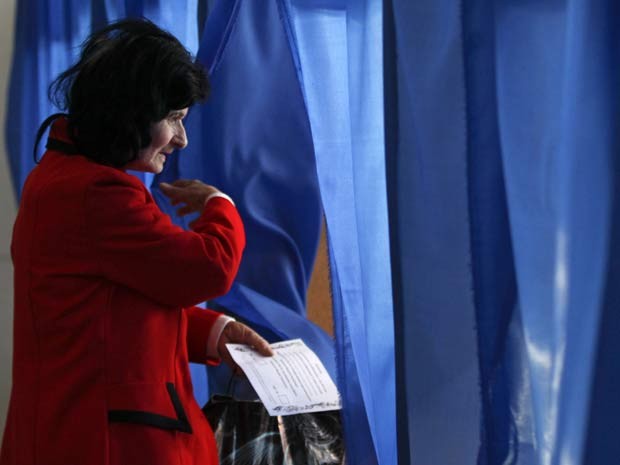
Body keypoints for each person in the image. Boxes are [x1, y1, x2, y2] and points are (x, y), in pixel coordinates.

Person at [0, 18, 273, 465]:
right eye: (173, 119)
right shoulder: (99, 194)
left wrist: (216, 334)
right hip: (107, 442)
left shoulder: (61, 178)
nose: (181, 139)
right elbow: (207, 267)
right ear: (131, 111)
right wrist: (220, 206)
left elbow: (113, 313)